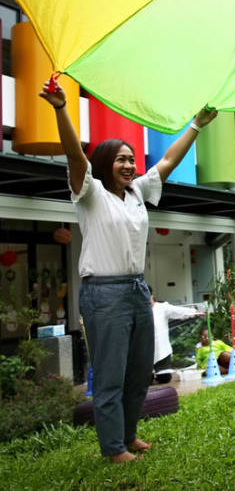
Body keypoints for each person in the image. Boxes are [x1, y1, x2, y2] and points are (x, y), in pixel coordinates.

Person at [40, 77, 216, 463]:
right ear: (105, 164)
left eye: (132, 159)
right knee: (110, 374)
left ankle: (129, 435)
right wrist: (60, 108)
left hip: (137, 290)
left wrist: (197, 125)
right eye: (121, 159)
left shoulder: (137, 192)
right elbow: (74, 157)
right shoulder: (90, 195)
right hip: (103, 293)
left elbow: (167, 161)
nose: (130, 165)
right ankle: (113, 448)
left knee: (140, 370)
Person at [149, 286, 203, 384]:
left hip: (162, 352)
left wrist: (195, 312)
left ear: (151, 295)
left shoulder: (162, 308)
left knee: (164, 379)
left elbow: (178, 311)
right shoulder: (139, 311)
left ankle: (157, 375)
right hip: (146, 353)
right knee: (145, 381)